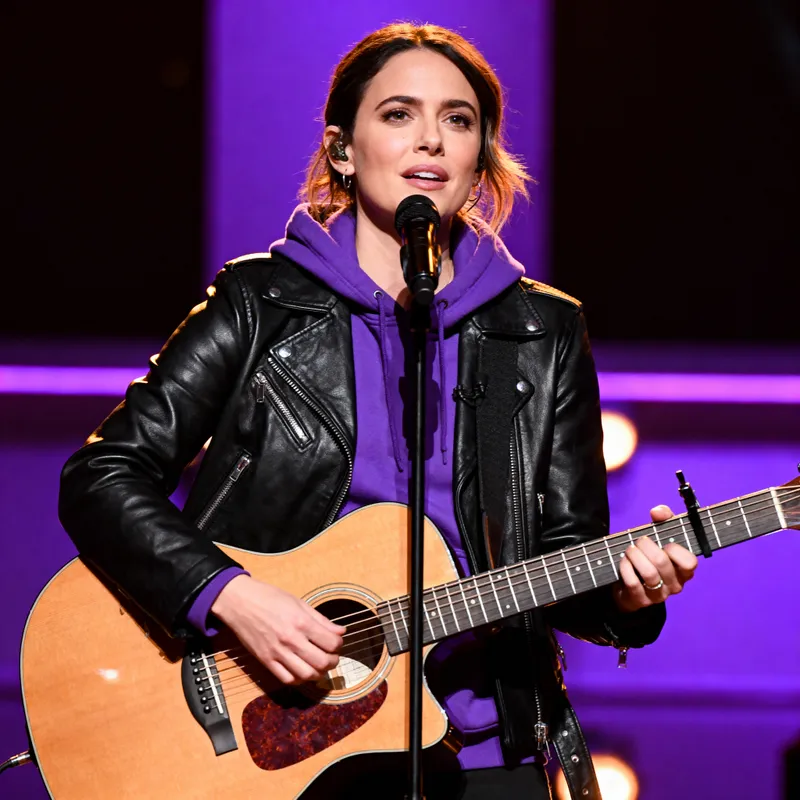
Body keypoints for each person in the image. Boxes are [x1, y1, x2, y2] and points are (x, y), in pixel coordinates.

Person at [58, 22, 698, 800]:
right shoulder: (259, 303)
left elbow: (566, 551)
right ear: (341, 149)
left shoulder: (543, 330)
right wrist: (228, 594)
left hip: (483, 750)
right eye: (399, 114)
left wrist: (627, 595)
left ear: (480, 158)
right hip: (283, 743)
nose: (431, 139)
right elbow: (103, 474)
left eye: (458, 120)